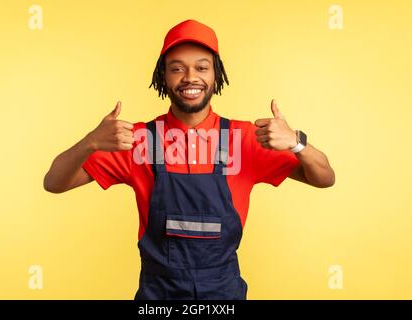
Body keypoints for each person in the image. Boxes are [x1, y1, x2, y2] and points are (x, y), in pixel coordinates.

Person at [43, 19, 335, 300]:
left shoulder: (245, 138)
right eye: (177, 68)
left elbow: (324, 178)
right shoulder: (138, 139)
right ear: (163, 77)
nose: (190, 77)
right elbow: (54, 183)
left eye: (202, 67)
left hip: (224, 294)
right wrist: (90, 141)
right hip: (158, 297)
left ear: (216, 75)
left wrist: (297, 143)